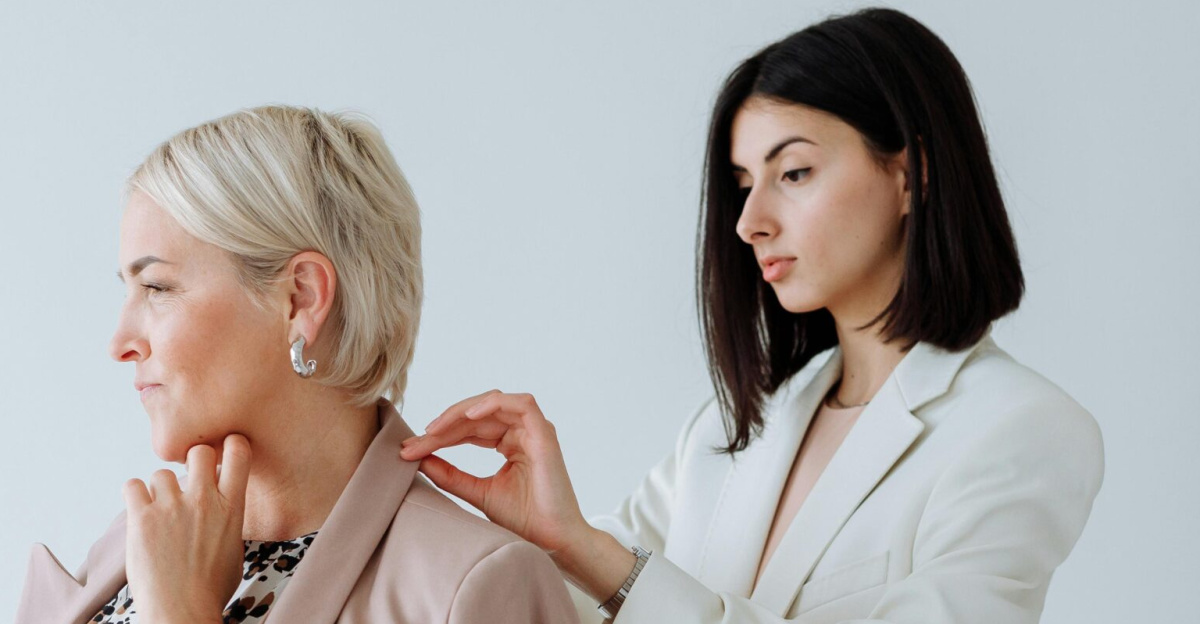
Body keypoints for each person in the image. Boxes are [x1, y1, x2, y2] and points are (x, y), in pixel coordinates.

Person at [400, 7, 1105, 623]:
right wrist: (411, 507)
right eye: (742, 185)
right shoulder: (733, 425)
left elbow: (617, 575)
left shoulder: (1021, 430)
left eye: (793, 172)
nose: (748, 222)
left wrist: (591, 555)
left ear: (909, 175)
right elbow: (563, 602)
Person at [17, 105, 578, 624]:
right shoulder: (139, 545)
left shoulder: (471, 588)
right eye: (129, 291)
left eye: (158, 287)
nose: (120, 342)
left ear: (301, 299)